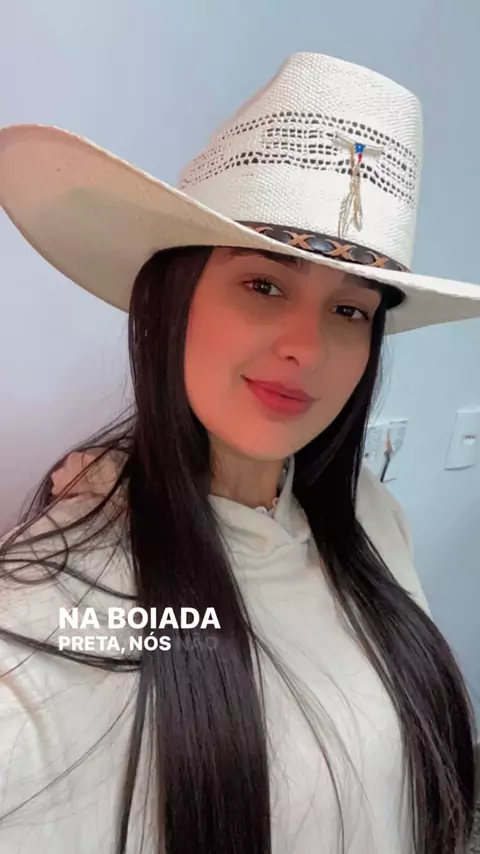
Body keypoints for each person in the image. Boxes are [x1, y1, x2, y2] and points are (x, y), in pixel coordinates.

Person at [0, 51, 479, 854]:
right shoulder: (56, 609)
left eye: (351, 311)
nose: (308, 348)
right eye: (264, 285)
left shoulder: (372, 516)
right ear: (174, 297)